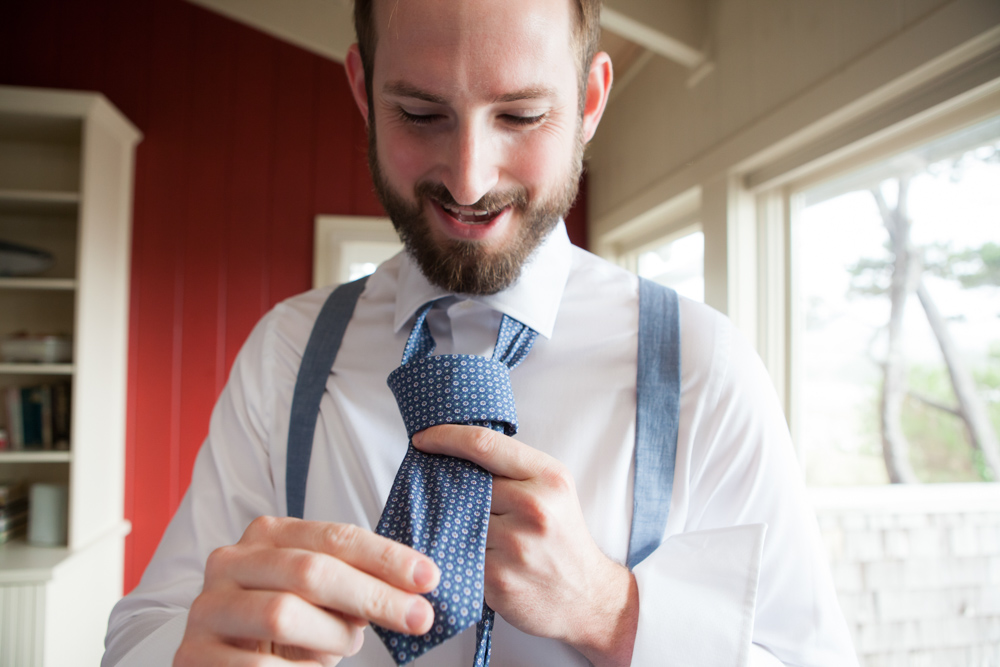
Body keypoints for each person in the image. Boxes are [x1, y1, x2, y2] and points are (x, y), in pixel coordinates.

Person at [103, 0, 858, 665]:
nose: (468, 179)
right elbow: (141, 632)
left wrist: (614, 614)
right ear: (364, 90)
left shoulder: (702, 365)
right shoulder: (286, 355)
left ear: (591, 100)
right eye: (420, 113)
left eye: (521, 115)